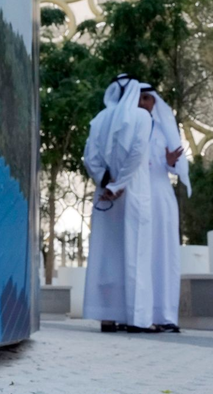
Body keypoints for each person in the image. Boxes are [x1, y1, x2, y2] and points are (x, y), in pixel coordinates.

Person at [82, 74, 155, 333]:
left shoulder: (99, 119)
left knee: (107, 254)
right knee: (136, 253)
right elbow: (137, 152)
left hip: (106, 194)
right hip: (132, 191)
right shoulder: (142, 116)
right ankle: (136, 319)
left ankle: (108, 317)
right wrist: (119, 184)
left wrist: (107, 182)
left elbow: (89, 157)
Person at [143, 87, 190, 333]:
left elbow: (175, 166)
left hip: (161, 196)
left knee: (165, 254)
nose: (143, 103)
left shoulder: (163, 130)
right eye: (139, 98)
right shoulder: (130, 128)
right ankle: (141, 315)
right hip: (137, 194)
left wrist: (171, 162)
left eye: (148, 98)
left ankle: (165, 315)